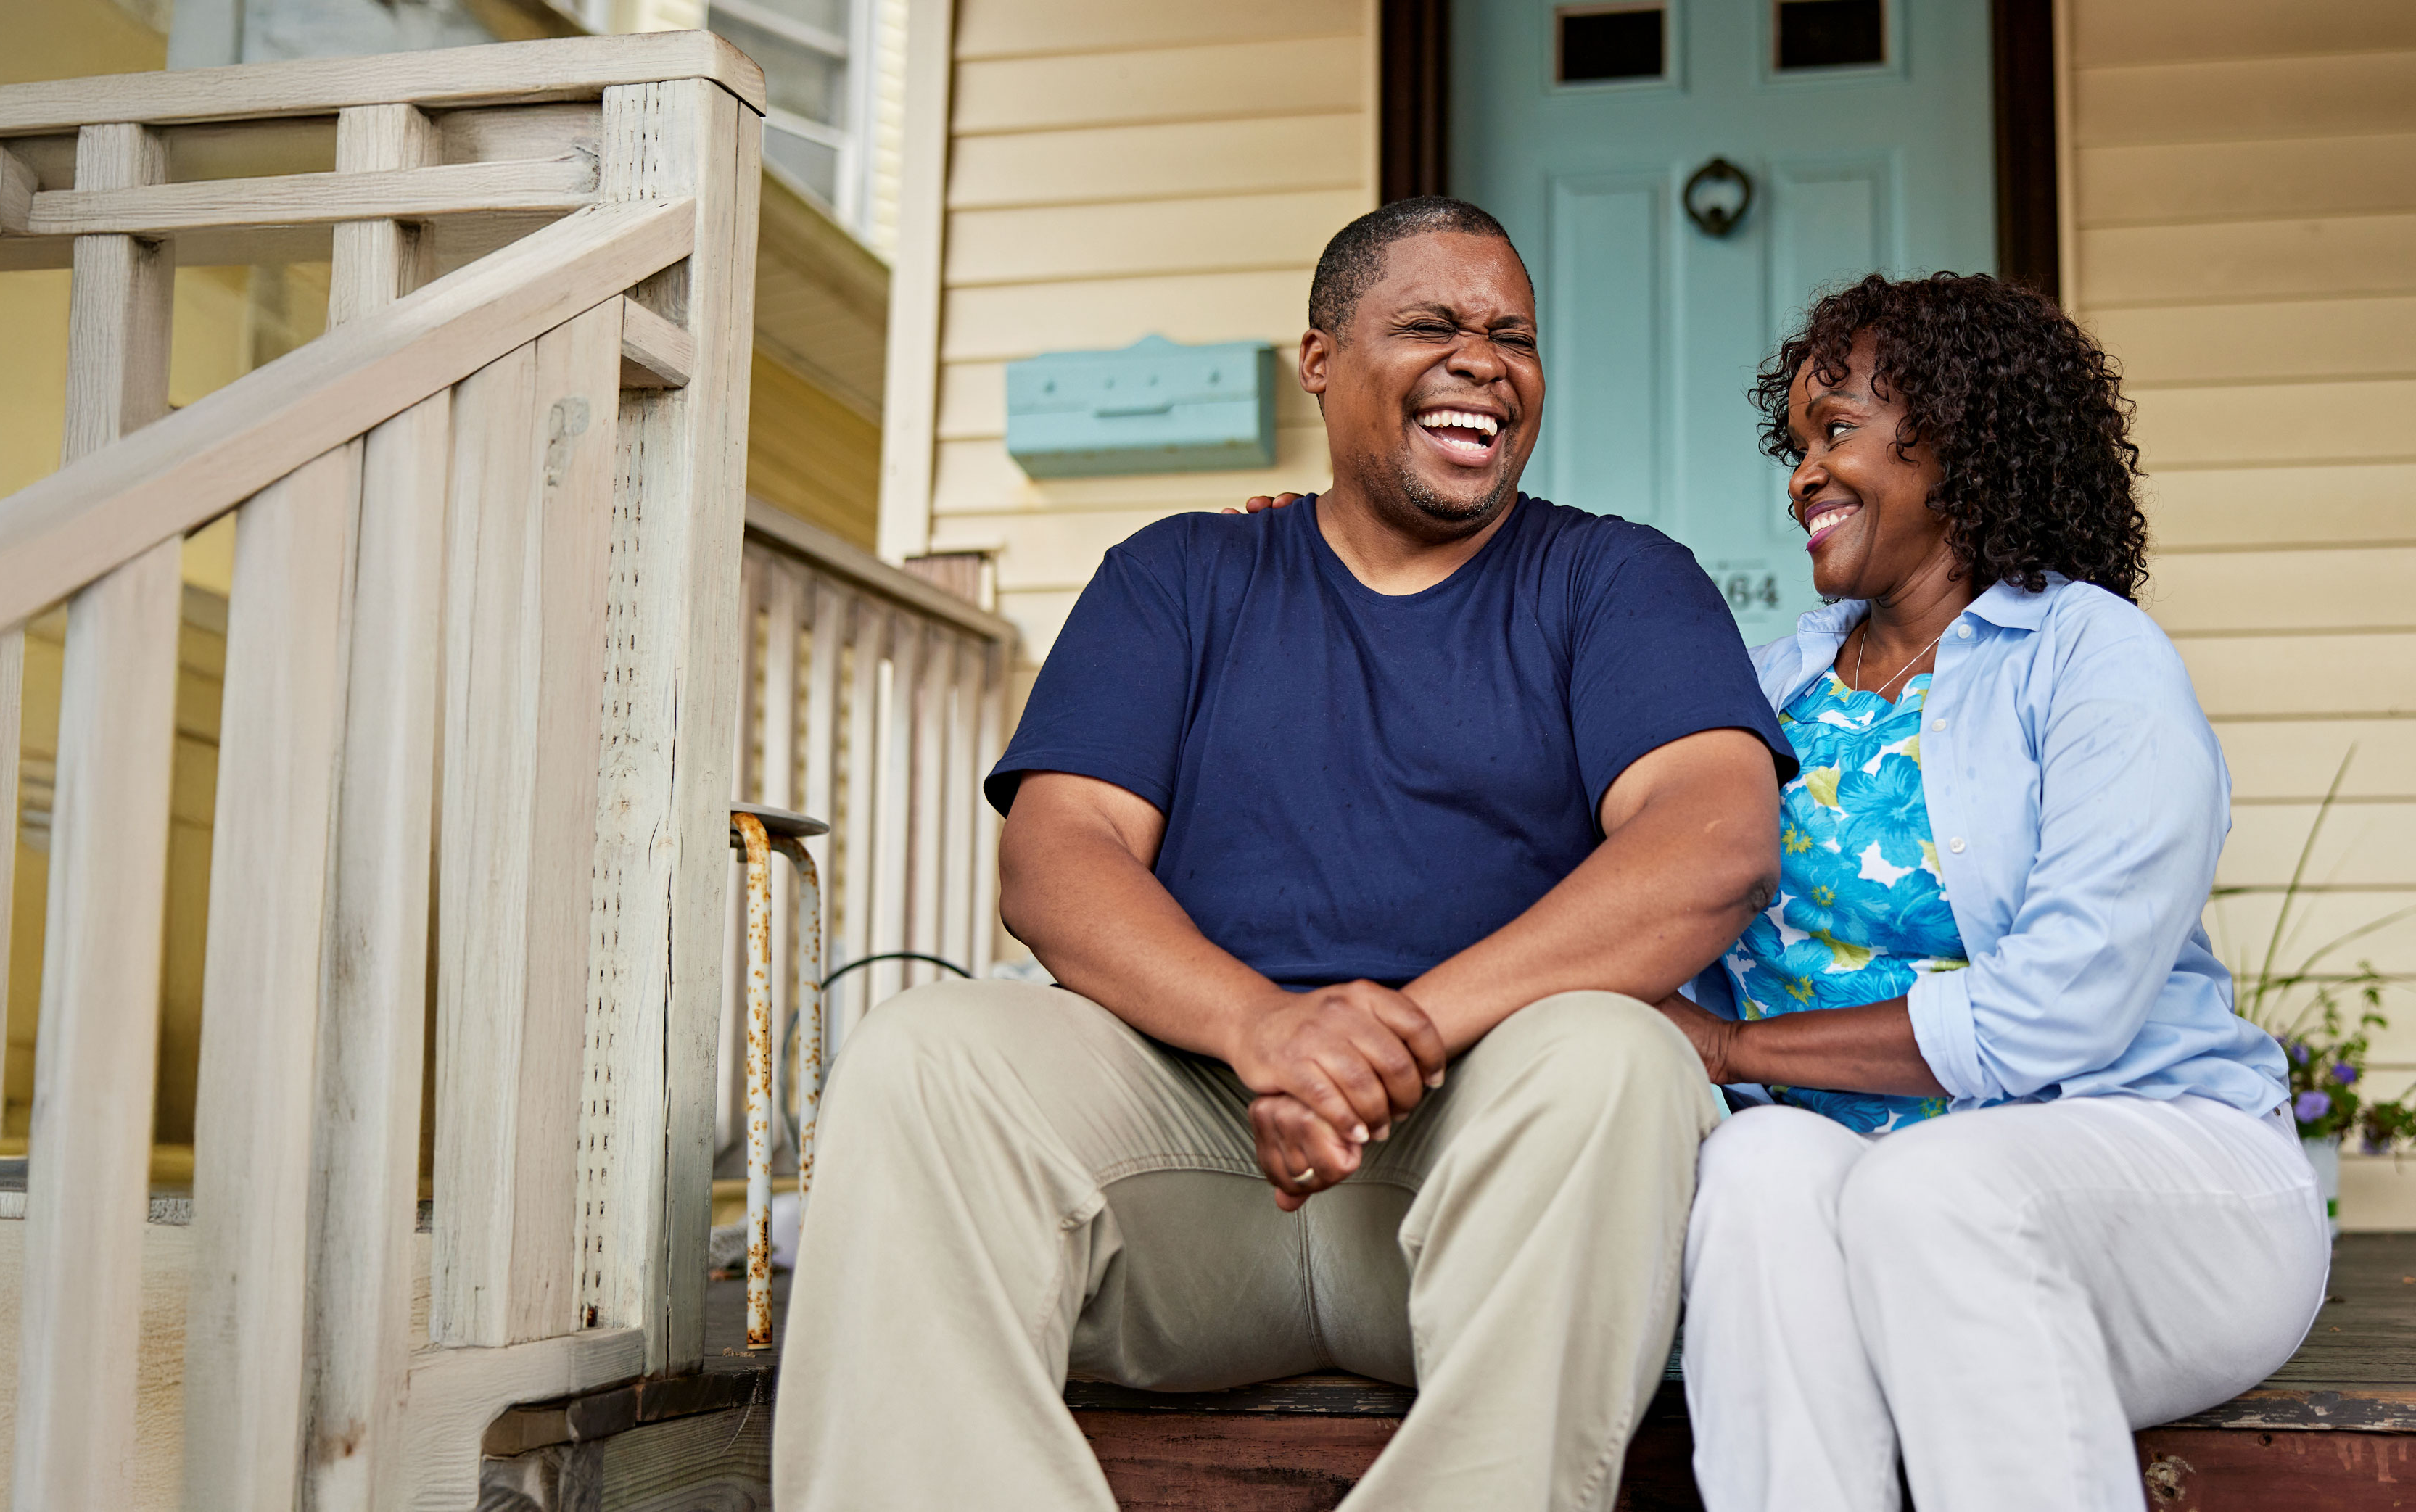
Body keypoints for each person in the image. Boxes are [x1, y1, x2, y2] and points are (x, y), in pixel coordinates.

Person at [775, 195, 1797, 1512]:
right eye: (1431, 322)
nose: (1484, 358)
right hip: (1197, 1167)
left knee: (1613, 1059)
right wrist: (1265, 1030)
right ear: (1319, 361)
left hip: (1482, 1175)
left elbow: (1713, 841)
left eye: (1515, 335)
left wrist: (1400, 1032)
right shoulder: (1180, 576)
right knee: (923, 1056)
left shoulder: (1616, 582)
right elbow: (1056, 854)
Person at [1655, 273, 2320, 1512]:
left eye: (1837, 430)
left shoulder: (2091, 658)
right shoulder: (1767, 689)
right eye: (1796, 444)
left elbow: (2053, 1015)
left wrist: (1736, 1041)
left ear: (1957, 438)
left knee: (1935, 1188)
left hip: (2153, 1180)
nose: (1803, 473)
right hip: (1868, 1203)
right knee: (1751, 1173)